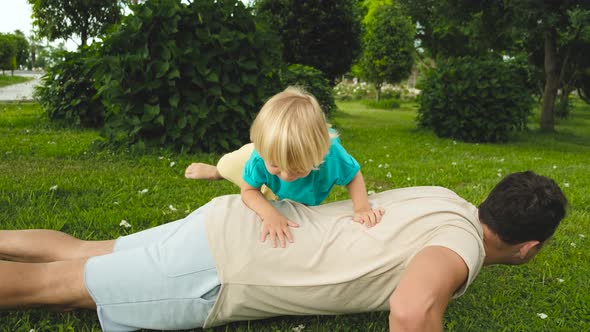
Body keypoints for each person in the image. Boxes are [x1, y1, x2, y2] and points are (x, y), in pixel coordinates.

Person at [0, 171, 567, 331]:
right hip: (222, 266)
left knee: (83, 251)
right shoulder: (461, 246)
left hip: (233, 221)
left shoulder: (445, 198)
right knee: (57, 288)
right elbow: (413, 310)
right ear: (529, 248)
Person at [186, 87, 384, 248]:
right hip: (249, 159)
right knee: (230, 164)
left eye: (298, 168)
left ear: (318, 156)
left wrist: (361, 208)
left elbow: (352, 176)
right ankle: (215, 171)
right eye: (277, 165)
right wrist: (269, 214)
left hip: (280, 183)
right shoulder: (259, 158)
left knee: (278, 193)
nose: (287, 175)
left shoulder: (331, 155)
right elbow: (248, 191)